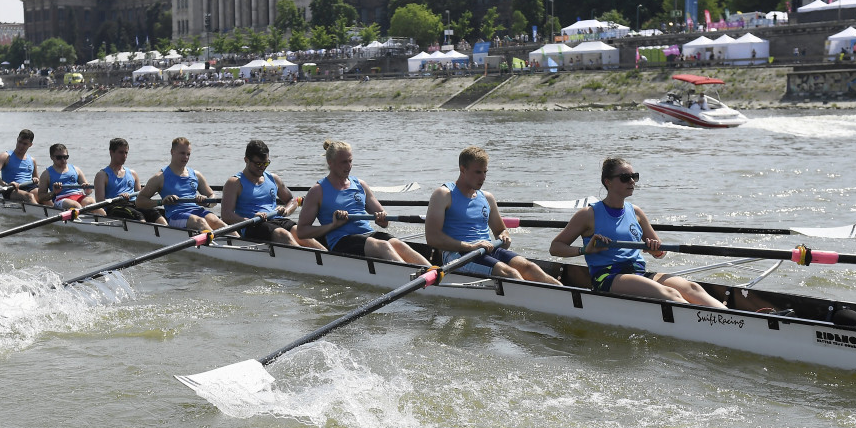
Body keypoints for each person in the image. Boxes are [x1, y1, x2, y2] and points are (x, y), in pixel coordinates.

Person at [548, 157, 724, 307]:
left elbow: (659, 253)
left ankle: (731, 318)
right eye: (625, 177)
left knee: (692, 288)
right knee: (670, 295)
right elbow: (555, 247)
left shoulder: (636, 212)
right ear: (607, 182)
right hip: (608, 276)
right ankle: (709, 324)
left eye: (634, 177)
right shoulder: (588, 214)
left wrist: (655, 249)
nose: (632, 181)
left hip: (638, 273)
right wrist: (584, 250)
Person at [425, 146, 560, 284]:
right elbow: (432, 238)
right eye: (478, 172)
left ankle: (565, 296)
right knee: (510, 273)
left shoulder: (487, 197)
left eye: (485, 172)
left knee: (530, 268)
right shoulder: (443, 194)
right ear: (463, 169)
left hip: (486, 250)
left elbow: (501, 230)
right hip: (458, 255)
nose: (483, 177)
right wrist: (470, 247)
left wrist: (504, 237)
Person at [297, 140, 428, 265]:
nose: (348, 166)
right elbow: (302, 232)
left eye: (350, 161)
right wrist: (333, 225)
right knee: (383, 246)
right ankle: (413, 280)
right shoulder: (317, 191)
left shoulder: (360, 185)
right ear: (330, 163)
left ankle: (435, 274)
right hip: (341, 241)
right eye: (344, 162)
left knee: (399, 244)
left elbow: (384, 222)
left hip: (367, 235)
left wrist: (382, 218)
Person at [221, 139, 324, 248]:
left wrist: (286, 210)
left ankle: (327, 257)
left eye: (265, 163)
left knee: (300, 233)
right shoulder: (234, 183)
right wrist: (249, 219)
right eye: (258, 164)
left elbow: (291, 200)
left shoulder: (273, 178)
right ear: (246, 160)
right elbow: (226, 215)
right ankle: (308, 261)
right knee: (283, 234)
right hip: (252, 225)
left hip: (277, 220)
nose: (262, 167)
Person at [136, 137, 222, 231]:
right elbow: (139, 202)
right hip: (175, 216)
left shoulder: (196, 175)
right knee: (200, 221)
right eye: (182, 153)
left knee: (216, 221)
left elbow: (212, 196)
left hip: (196, 211)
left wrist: (207, 202)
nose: (186, 157)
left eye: (188, 154)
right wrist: (161, 202)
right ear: (172, 152)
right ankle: (215, 244)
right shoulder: (160, 177)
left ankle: (238, 243)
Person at [94, 138, 164, 223]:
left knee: (154, 212)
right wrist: (119, 198)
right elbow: (100, 202)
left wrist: (149, 190)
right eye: (121, 152)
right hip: (114, 207)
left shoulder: (133, 173)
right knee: (138, 215)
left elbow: (140, 198)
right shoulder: (102, 175)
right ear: (111, 152)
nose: (124, 156)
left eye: (126, 153)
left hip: (133, 204)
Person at [37, 143, 95, 210]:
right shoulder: (46, 174)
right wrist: (54, 192)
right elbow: (41, 197)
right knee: (75, 205)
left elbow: (89, 191)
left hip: (78, 195)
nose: (63, 160)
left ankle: (105, 218)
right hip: (61, 199)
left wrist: (87, 190)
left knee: (91, 201)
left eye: (65, 157)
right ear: (51, 157)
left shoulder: (76, 169)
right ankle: (80, 217)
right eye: (59, 157)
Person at [0, 129, 40, 204]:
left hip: (29, 187)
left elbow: (37, 180)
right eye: (19, 142)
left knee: (41, 194)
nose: (21, 146)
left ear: (30, 145)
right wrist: (5, 185)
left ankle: (58, 212)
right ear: (17, 139)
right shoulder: (5, 156)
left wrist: (36, 180)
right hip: (11, 189)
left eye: (25, 144)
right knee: (29, 196)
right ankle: (41, 214)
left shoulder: (32, 160)